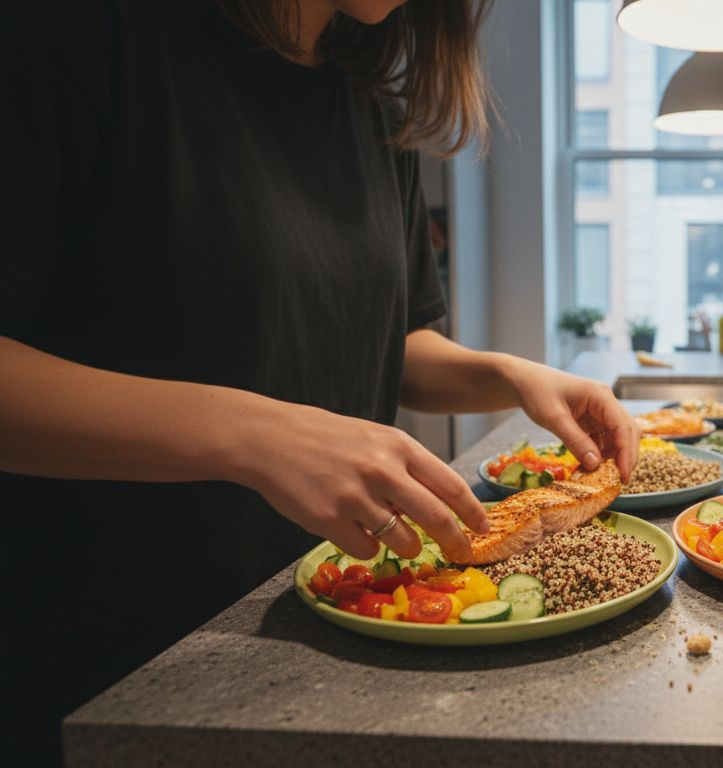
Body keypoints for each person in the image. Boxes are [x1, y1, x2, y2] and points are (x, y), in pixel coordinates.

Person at [0, 1, 638, 763]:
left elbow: (389, 347)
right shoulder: (70, 33)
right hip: (112, 659)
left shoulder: (371, 109)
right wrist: (253, 434)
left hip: (328, 627)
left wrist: (509, 374)